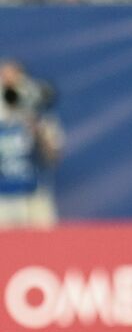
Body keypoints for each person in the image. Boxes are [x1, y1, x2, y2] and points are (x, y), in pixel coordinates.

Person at [0, 59, 63, 228]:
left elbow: (52, 158)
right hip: (2, 201)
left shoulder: (40, 118)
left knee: (43, 242)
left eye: (15, 80)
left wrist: (36, 130)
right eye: (4, 80)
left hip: (33, 199)